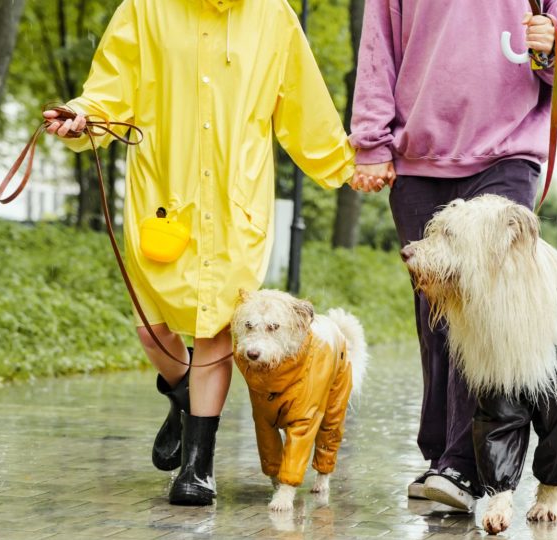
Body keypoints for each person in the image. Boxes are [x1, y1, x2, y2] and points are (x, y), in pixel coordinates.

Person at [44, 0, 355, 506]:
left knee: (214, 330)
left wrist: (347, 165)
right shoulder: (143, 10)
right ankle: (183, 395)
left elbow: (305, 107)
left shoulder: (273, 15)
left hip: (237, 203)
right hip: (167, 200)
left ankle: (197, 468)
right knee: (152, 329)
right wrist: (82, 118)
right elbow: (109, 90)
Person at [349, 0, 557, 512]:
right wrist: (370, 141)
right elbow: (378, 46)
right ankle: (443, 455)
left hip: (507, 151)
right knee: (436, 315)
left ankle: (470, 466)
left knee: (491, 314)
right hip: (420, 156)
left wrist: (555, 43)